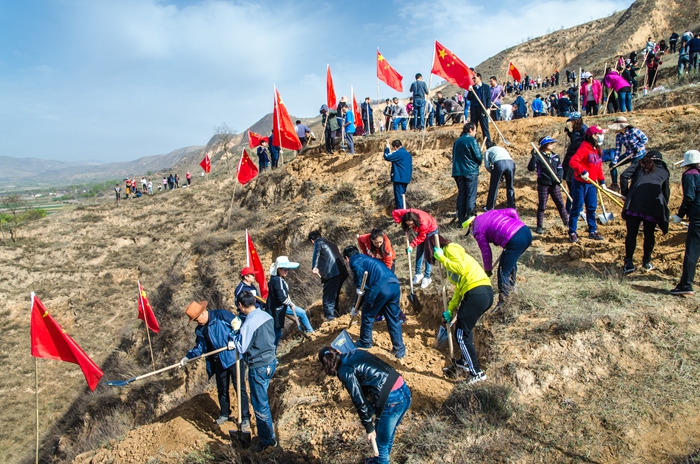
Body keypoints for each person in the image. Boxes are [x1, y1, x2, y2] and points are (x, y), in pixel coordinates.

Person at [318, 346, 411, 464]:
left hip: (392, 400)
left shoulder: (345, 371)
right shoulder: (356, 352)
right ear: (338, 351)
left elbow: (358, 399)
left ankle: (381, 461)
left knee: (380, 444)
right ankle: (379, 460)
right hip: (404, 390)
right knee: (386, 435)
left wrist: (369, 427)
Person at [180, 300, 251, 428]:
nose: (196, 322)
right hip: (218, 361)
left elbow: (238, 324)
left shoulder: (221, 315)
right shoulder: (200, 330)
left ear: (202, 314)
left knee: (239, 388)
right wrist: (188, 357)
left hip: (234, 357)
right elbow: (200, 347)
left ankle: (245, 417)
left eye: (196, 319)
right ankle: (224, 413)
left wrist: (233, 340)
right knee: (222, 389)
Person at [433, 241, 492, 382]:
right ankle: (464, 362)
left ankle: (477, 373)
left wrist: (442, 259)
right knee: (465, 329)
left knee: (461, 334)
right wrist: (450, 309)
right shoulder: (460, 260)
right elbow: (458, 291)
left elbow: (459, 268)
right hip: (483, 293)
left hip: (476, 292)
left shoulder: (450, 249)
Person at [232, 291, 278, 453]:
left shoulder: (249, 324)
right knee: (264, 400)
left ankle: (267, 440)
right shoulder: (266, 316)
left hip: (258, 366)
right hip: (271, 361)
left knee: (260, 404)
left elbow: (241, 347)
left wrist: (236, 333)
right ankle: (268, 433)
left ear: (240, 305)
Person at [343, 246, 406, 358]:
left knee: (368, 313)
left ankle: (365, 341)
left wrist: (358, 286)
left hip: (381, 287)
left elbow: (361, 285)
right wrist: (355, 307)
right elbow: (364, 290)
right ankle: (399, 349)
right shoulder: (366, 259)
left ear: (347, 258)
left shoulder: (354, 260)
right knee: (393, 318)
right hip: (394, 285)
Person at [621, 151, 670, 274]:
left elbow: (623, 176)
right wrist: (663, 206)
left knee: (631, 233)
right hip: (652, 206)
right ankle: (646, 262)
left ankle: (628, 263)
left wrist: (626, 193)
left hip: (634, 204)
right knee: (649, 234)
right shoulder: (664, 170)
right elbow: (666, 193)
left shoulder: (639, 164)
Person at [568, 125, 607, 243]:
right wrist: (582, 171)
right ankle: (572, 232)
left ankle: (592, 230)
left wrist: (602, 181)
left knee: (592, 207)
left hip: (592, 184)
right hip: (581, 183)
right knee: (577, 208)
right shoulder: (584, 147)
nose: (601, 136)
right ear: (593, 136)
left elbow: (599, 166)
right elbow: (573, 161)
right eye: (599, 134)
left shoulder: (597, 149)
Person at [669, 150, 700, 295]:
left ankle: (686, 285)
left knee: (692, 251)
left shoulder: (689, 175)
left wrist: (680, 215)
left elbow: (689, 197)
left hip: (698, 216)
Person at [266, 256, 313, 345]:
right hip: (276, 308)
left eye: (288, 269)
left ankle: (311, 332)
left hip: (281, 306)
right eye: (284, 269)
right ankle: (272, 357)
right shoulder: (277, 280)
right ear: (278, 269)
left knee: (302, 313)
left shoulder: (279, 278)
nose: (286, 271)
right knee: (277, 333)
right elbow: (282, 298)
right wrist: (291, 304)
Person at [528, 136, 569, 234]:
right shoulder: (539, 156)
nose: (552, 145)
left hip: (555, 184)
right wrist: (533, 157)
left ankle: (567, 223)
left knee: (560, 204)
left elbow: (560, 169)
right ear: (544, 145)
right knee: (542, 206)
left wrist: (559, 178)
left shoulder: (555, 157)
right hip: (543, 184)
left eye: (552, 143)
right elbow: (530, 168)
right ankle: (539, 226)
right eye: (550, 143)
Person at [392, 208, 438, 289]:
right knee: (419, 251)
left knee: (428, 253)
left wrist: (411, 245)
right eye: (408, 224)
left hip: (431, 230)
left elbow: (421, 238)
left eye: (411, 225)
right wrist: (400, 223)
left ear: (415, 220)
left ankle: (427, 277)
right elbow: (394, 212)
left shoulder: (423, 223)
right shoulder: (407, 213)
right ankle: (418, 274)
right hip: (421, 230)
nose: (410, 226)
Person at [309, 231, 348, 321]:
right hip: (341, 272)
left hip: (331, 273)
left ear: (312, 240)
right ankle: (336, 314)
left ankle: (330, 319)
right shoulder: (331, 243)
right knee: (334, 295)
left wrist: (314, 267)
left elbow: (316, 253)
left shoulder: (318, 242)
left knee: (328, 298)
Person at [451, 123, 482, 225]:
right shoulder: (472, 140)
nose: (475, 132)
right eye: (475, 130)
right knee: (470, 195)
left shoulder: (457, 142)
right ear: (470, 129)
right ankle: (470, 219)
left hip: (458, 172)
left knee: (462, 195)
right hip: (470, 171)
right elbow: (478, 158)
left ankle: (461, 219)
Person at [608, 117, 648, 193]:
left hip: (638, 154)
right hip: (628, 154)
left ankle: (633, 189)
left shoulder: (634, 131)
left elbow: (645, 139)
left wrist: (638, 147)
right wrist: (615, 160)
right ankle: (615, 185)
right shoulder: (619, 136)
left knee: (634, 172)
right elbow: (618, 149)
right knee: (612, 165)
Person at [563, 112, 588, 215]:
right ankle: (570, 208)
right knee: (572, 186)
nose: (571, 123)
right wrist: (569, 133)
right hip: (570, 158)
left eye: (572, 121)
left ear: (577, 120)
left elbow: (580, 143)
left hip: (577, 158)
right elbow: (574, 140)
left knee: (574, 187)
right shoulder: (576, 129)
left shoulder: (584, 129)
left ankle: (573, 208)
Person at [483, 143, 516, 211]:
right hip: (511, 163)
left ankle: (490, 207)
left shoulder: (487, 151)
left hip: (499, 164)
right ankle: (512, 207)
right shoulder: (502, 149)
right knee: (510, 186)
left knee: (494, 186)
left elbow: (487, 165)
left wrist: (493, 172)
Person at [383, 139, 412, 209]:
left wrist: (387, 148)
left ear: (395, 147)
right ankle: (404, 212)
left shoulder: (399, 153)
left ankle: (401, 215)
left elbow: (387, 156)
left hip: (399, 178)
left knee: (399, 197)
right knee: (402, 196)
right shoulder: (408, 154)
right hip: (406, 178)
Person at [467, 74, 492, 145]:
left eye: (475, 78)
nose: (473, 79)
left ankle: (488, 145)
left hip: (482, 109)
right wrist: (470, 90)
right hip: (474, 110)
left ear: (479, 78)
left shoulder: (486, 87)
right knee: (473, 128)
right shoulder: (473, 88)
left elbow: (488, 98)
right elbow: (469, 98)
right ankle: (473, 144)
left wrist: (488, 108)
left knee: (485, 128)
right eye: (473, 78)